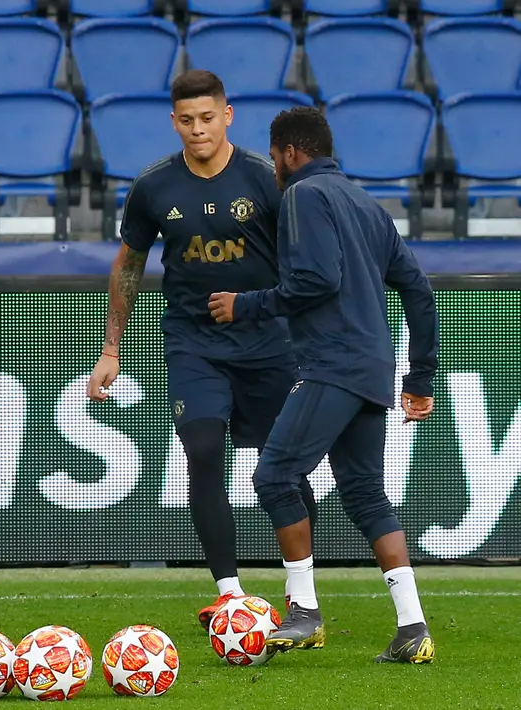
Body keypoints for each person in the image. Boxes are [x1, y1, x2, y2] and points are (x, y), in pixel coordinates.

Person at [86, 70, 319, 630]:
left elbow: (301, 265)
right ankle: (231, 594)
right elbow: (129, 266)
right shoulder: (153, 187)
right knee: (204, 453)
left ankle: (301, 593)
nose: (198, 131)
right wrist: (111, 347)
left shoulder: (267, 182)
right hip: (194, 346)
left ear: (228, 115)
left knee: (285, 469)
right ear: (174, 122)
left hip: (267, 346)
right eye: (187, 121)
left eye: (207, 119)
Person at [208, 107, 438, 664]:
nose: (275, 170)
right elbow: (419, 290)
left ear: (289, 153)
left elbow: (316, 280)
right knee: (364, 494)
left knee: (275, 475)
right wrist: (420, 377)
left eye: (275, 157)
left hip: (332, 363)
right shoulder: (367, 204)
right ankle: (413, 629)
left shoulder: (303, 197)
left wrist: (248, 306)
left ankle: (305, 612)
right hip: (371, 369)